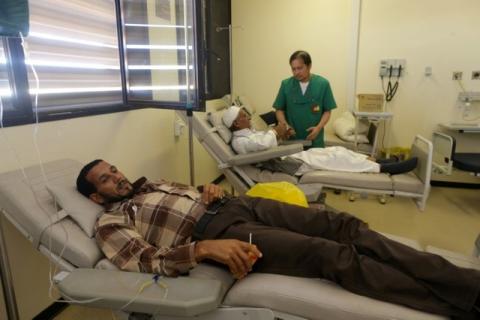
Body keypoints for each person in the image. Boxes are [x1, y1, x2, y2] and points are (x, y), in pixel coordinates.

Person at [76, 159, 480, 319]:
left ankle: (466, 284)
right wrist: (200, 249)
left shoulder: (153, 183)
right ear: (96, 195)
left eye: (114, 169)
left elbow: (191, 193)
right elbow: (145, 259)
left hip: (239, 205)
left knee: (347, 226)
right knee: (332, 255)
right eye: (106, 180)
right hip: (217, 234)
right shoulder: (111, 220)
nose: (118, 177)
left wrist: (207, 190)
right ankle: (456, 306)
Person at [222, 106, 418, 175]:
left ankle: (381, 161)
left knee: (338, 151)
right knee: (336, 159)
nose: (248, 116)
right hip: (285, 164)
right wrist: (275, 132)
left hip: (287, 156)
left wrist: (281, 135)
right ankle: (385, 169)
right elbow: (262, 146)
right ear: (236, 124)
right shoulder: (239, 142)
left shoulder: (248, 132)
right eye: (243, 115)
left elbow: (265, 143)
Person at [273, 50, 336, 148]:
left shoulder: (323, 84)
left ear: (309, 66)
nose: (296, 72)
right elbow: (279, 109)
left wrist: (318, 128)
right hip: (292, 140)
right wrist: (285, 126)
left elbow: (327, 111)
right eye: (293, 69)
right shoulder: (286, 85)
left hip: (315, 139)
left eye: (300, 68)